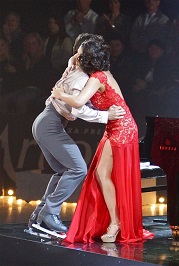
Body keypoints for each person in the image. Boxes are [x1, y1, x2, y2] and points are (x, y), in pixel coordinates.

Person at [52, 37, 153, 243]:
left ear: (88, 58)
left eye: (80, 54)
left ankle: (116, 223)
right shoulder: (99, 74)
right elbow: (74, 72)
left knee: (101, 173)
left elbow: (79, 102)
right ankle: (115, 221)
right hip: (115, 126)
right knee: (102, 174)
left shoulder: (98, 77)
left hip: (122, 127)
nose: (76, 57)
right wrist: (71, 63)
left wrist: (60, 94)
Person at [28, 33, 126, 235]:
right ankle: (49, 213)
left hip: (46, 122)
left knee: (64, 169)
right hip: (50, 123)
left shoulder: (75, 68)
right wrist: (105, 116)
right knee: (79, 169)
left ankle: (39, 216)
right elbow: (77, 109)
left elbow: (70, 67)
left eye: (79, 54)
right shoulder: (81, 77)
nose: (76, 56)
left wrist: (71, 62)